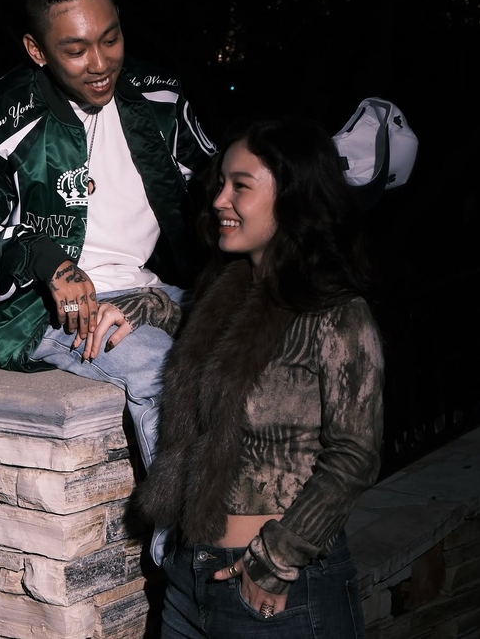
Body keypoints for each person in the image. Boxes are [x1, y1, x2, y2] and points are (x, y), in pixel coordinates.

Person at [0, 0, 217, 471]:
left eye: (111, 39)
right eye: (76, 50)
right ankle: (191, 524)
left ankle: (283, 516)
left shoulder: (158, 99)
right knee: (165, 372)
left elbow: (220, 193)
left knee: (279, 339)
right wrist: (45, 259)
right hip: (42, 311)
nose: (101, 63)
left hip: (150, 290)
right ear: (37, 50)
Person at [134, 114, 385, 637]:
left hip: (278, 589)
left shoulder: (337, 313)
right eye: (220, 184)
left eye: (240, 186)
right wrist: (142, 310)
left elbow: (355, 454)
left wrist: (276, 560)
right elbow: (205, 349)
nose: (219, 200)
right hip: (187, 579)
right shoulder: (225, 293)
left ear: (292, 198)